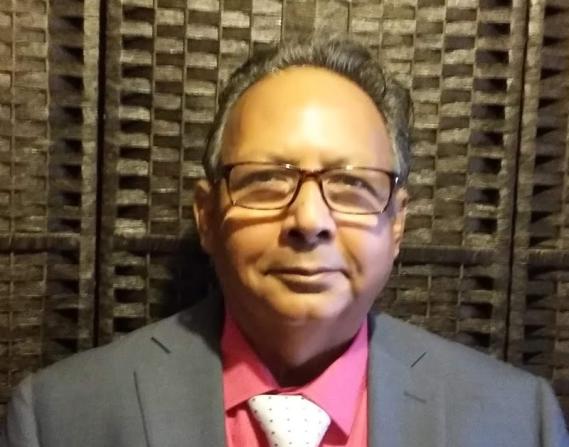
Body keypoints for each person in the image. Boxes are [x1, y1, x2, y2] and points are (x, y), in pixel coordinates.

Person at [1, 37, 568, 447]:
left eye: (351, 184)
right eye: (267, 179)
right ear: (207, 215)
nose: (309, 219)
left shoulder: (519, 422)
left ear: (397, 223)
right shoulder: (60, 418)